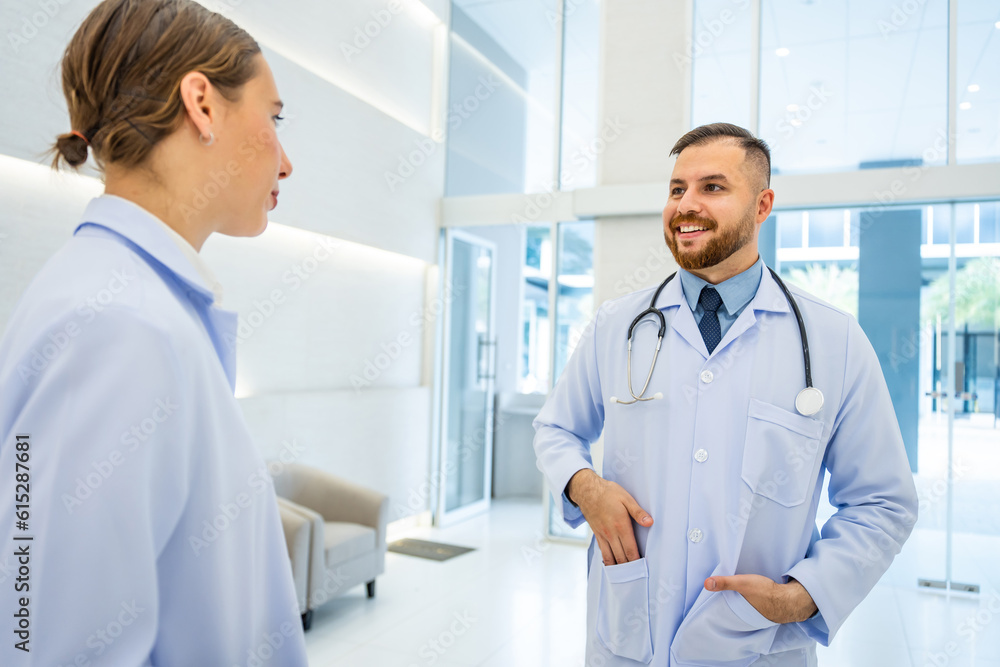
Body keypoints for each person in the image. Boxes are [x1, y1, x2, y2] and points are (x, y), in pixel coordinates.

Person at [533, 123, 918, 666]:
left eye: (712, 187)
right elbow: (556, 429)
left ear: (762, 206)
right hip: (629, 634)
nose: (685, 204)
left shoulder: (834, 340)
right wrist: (584, 485)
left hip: (757, 642)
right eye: (676, 189)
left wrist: (805, 595)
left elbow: (883, 501)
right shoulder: (617, 325)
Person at [0, 1, 305, 664]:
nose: (286, 163)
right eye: (274, 119)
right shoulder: (114, 327)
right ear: (201, 102)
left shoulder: (131, 303)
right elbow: (52, 645)